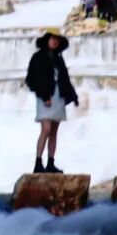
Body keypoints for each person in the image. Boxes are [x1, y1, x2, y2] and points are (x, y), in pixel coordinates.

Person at [25, 29, 79, 174]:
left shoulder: (59, 59)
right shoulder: (37, 57)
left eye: (57, 40)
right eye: (52, 39)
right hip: (45, 97)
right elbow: (32, 79)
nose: (54, 41)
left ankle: (50, 163)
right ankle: (38, 162)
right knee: (46, 130)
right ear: (47, 40)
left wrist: (73, 96)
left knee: (54, 131)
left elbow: (65, 80)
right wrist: (44, 96)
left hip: (58, 96)